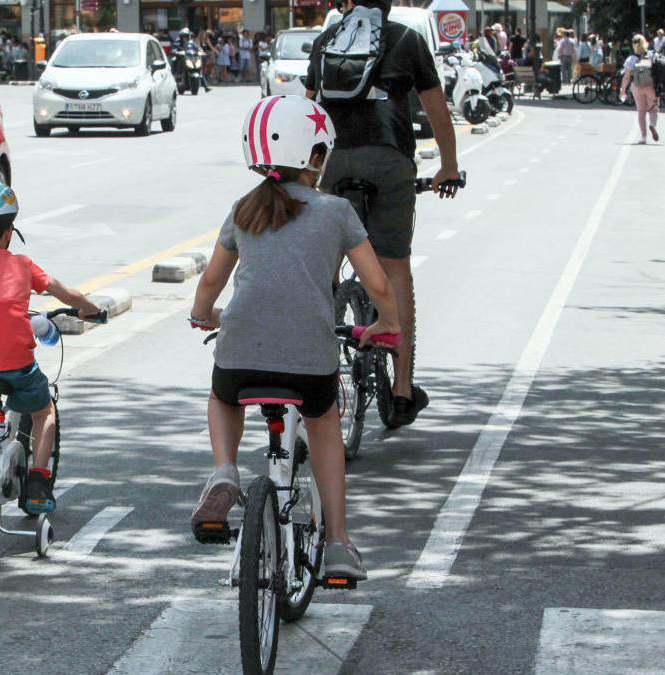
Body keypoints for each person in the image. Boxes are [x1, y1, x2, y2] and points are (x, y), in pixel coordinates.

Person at [189, 95, 401, 581]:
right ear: (316, 157)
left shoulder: (243, 209)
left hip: (240, 350)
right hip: (310, 358)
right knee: (323, 422)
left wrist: (205, 316)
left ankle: (224, 471)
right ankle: (338, 544)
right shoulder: (337, 211)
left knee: (223, 398)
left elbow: (209, 284)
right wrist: (386, 325)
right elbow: (379, 285)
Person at [306, 0, 460, 426]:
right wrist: (447, 166)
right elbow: (438, 114)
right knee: (395, 271)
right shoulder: (407, 39)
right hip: (389, 160)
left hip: (333, 164)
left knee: (326, 263)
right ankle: (403, 388)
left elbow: (306, 113)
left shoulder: (324, 42)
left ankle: (318, 350)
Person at [0, 180, 101, 512]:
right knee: (45, 411)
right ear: (8, 232)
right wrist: (93, 310)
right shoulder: (23, 265)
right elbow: (65, 293)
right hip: (16, 366)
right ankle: (39, 482)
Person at [620, 34, 660, 144]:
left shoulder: (631, 58)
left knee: (641, 111)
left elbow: (627, 76)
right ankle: (652, 124)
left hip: (637, 87)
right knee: (653, 109)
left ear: (633, 45)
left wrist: (622, 90)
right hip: (651, 87)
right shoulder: (652, 55)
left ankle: (643, 137)